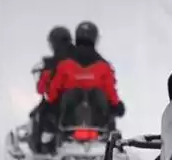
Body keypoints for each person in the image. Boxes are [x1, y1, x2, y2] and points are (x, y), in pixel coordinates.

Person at [44, 21, 125, 149]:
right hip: (98, 120)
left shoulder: (65, 64)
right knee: (109, 108)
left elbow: (54, 89)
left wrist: (50, 104)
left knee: (53, 108)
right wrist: (116, 105)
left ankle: (49, 141)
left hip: (68, 118)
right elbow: (111, 92)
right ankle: (113, 143)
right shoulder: (104, 66)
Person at [27, 26, 75, 154]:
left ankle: (44, 144)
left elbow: (42, 89)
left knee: (39, 113)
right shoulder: (82, 58)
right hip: (85, 103)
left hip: (60, 104)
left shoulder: (51, 63)